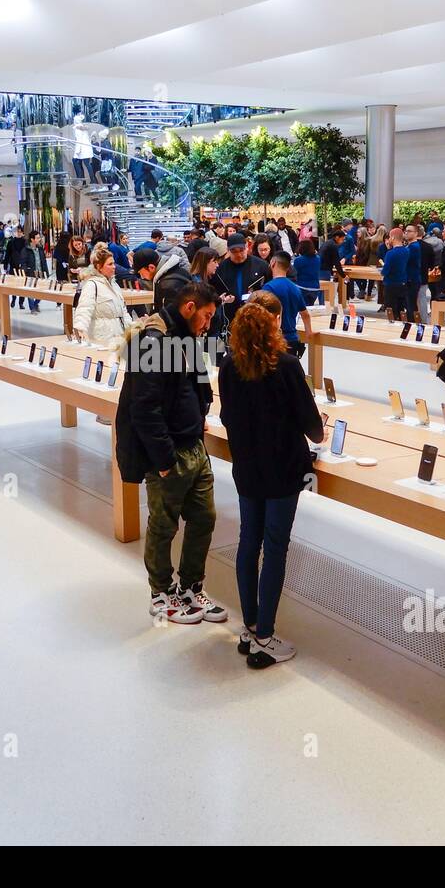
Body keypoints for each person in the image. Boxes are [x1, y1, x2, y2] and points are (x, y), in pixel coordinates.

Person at [219, 302, 324, 667]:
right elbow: (311, 424)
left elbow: (226, 415)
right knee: (276, 548)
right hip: (283, 468)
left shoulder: (229, 366)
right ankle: (265, 634)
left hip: (247, 468)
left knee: (249, 542)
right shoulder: (288, 365)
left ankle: (250, 627)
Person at [114, 282, 224, 625]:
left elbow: (198, 382)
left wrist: (201, 415)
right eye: (205, 315)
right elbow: (143, 409)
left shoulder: (189, 338)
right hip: (169, 454)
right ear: (189, 307)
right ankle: (160, 594)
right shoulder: (153, 342)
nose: (208, 324)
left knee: (204, 518)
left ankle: (191, 587)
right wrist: (163, 461)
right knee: (163, 526)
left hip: (194, 446)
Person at [72, 243, 129, 347]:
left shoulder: (114, 284)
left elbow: (123, 311)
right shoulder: (92, 285)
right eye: (110, 264)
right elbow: (84, 309)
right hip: (101, 340)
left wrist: (131, 329)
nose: (114, 267)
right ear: (99, 267)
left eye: (114, 263)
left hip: (118, 337)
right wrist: (79, 329)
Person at [211, 232, 269, 327]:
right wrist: (222, 299)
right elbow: (214, 291)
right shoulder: (220, 268)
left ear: (247, 247)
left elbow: (268, 289)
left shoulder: (261, 265)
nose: (238, 254)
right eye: (234, 251)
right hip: (229, 316)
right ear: (228, 250)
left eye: (241, 250)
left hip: (255, 314)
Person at [261, 252, 312, 357]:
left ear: (273, 263)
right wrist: (308, 332)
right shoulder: (295, 288)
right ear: (288, 268)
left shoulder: (269, 287)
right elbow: (305, 314)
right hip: (292, 339)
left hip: (274, 340)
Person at [292, 239, 322, 304]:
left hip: (302, 287)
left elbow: (294, 274)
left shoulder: (298, 260)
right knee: (310, 306)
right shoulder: (318, 259)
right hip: (315, 288)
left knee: (303, 308)